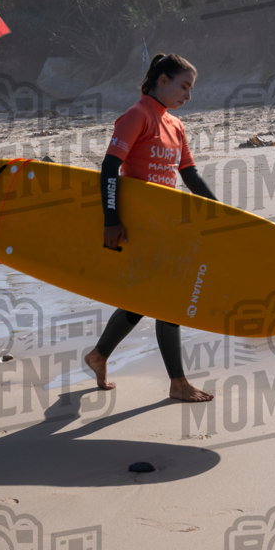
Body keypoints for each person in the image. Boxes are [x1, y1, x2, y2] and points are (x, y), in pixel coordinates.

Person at [85, 53, 219, 403]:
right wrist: (110, 219)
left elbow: (189, 174)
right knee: (168, 300)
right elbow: (110, 168)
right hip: (138, 227)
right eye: (184, 86)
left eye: (191, 89)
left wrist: (220, 211)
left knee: (141, 301)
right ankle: (177, 382)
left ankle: (98, 356)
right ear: (163, 80)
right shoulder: (136, 116)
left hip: (166, 228)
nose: (188, 96)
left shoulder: (175, 125)